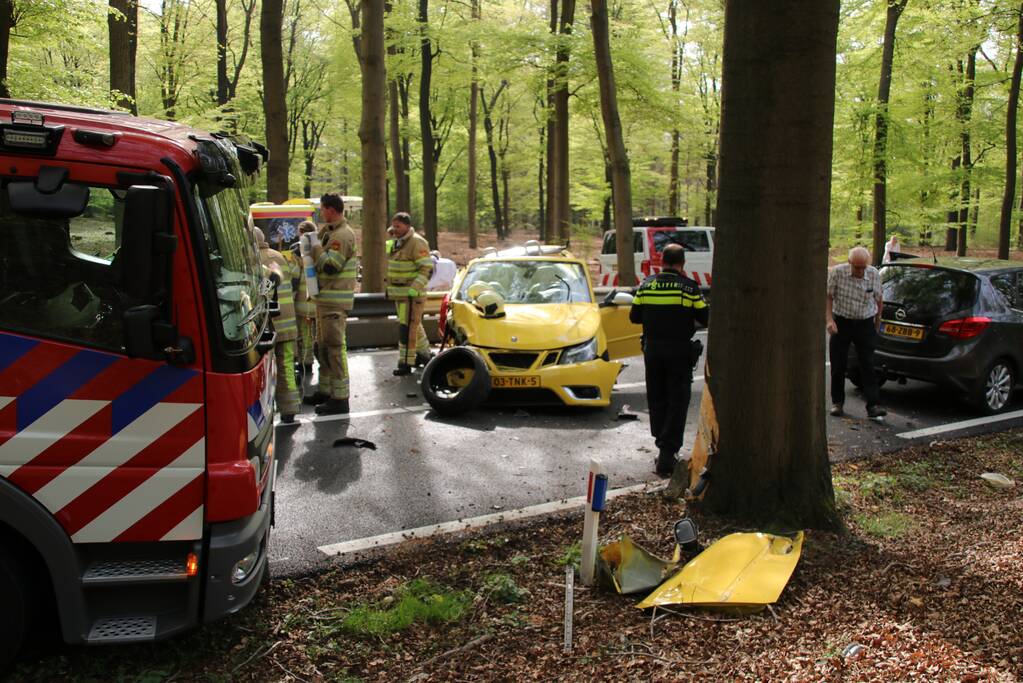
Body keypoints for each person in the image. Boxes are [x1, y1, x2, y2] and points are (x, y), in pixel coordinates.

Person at [628, 244, 709, 477]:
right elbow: (705, 317)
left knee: (657, 397)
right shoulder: (689, 287)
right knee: (677, 399)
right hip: (679, 351)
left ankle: (661, 443)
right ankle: (667, 452)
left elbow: (634, 317)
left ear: (661, 261)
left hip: (652, 350)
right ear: (682, 263)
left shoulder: (646, 285)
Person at [307, 193, 357, 416]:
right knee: (322, 348)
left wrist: (315, 247)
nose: (321, 212)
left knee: (335, 349)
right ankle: (326, 390)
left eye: (322, 208)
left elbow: (330, 266)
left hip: (334, 302)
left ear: (330, 209)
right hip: (324, 300)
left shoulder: (342, 235)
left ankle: (340, 399)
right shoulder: (329, 232)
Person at [827, 246, 887, 419]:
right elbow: (828, 296)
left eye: (863, 267)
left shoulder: (873, 274)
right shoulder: (837, 273)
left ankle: (873, 405)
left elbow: (879, 299)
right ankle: (837, 402)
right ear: (849, 262)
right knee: (838, 364)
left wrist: (877, 321)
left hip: (865, 323)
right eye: (857, 267)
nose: (860, 271)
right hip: (842, 322)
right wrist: (829, 320)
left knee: (868, 364)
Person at [254, 227, 301, 423]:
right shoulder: (279, 256)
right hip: (289, 321)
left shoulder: (254, 259)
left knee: (268, 370)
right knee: (287, 365)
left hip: (270, 323)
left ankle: (268, 411)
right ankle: (290, 409)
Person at [385, 212, 434, 375]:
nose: (395, 229)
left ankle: (405, 362)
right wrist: (390, 237)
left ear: (407, 226)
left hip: (411, 295)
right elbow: (389, 256)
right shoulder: (397, 241)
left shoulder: (417, 242)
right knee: (414, 325)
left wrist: (414, 288)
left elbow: (426, 269)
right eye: (393, 226)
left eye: (398, 226)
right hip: (400, 294)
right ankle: (425, 355)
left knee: (407, 328)